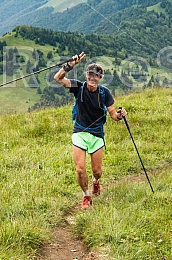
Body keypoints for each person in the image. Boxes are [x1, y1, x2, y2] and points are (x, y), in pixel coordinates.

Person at [54, 52, 127, 209]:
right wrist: (70, 65)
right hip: (79, 132)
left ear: (100, 78)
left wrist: (120, 116)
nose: (92, 78)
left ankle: (96, 182)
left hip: (96, 134)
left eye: (96, 76)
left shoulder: (104, 93)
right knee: (80, 170)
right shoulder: (78, 87)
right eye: (90, 75)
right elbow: (58, 79)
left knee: (97, 171)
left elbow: (113, 115)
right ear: (86, 75)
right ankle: (86, 195)